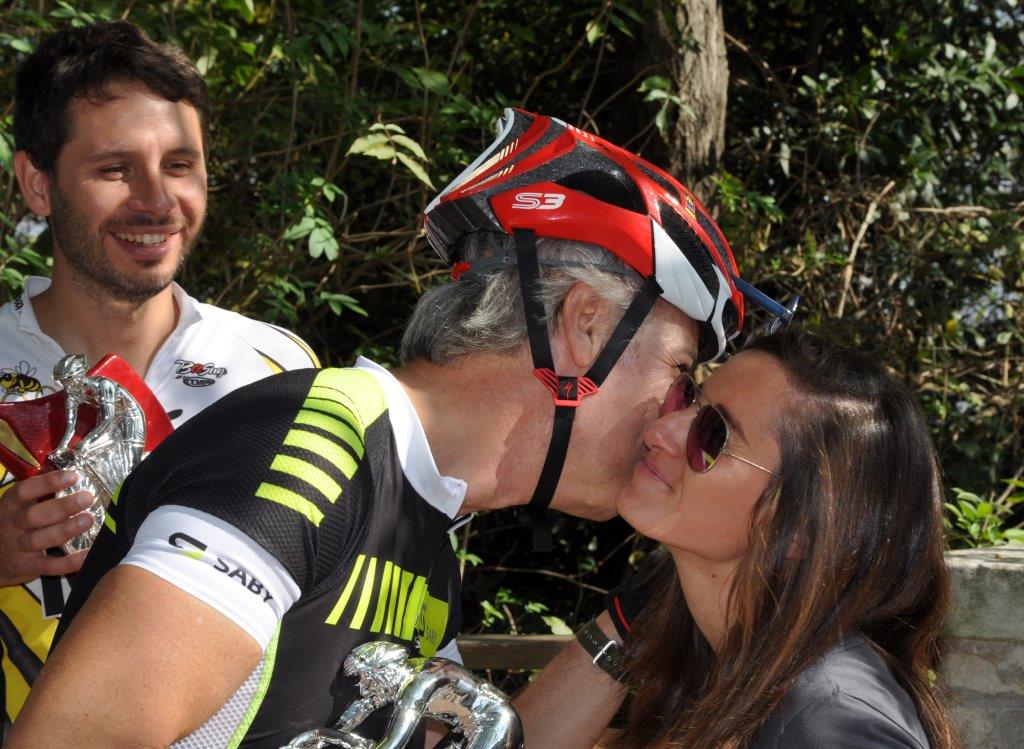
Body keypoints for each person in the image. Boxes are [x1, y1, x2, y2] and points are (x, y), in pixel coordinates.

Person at [8, 108, 791, 747]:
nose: (677, 418)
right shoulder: (315, 446)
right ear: (583, 324)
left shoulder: (418, 512)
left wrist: (639, 613)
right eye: (680, 371)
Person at [0, 20, 319, 729]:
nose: (157, 201)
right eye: (115, 169)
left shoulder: (279, 371)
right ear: (37, 184)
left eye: (179, 164)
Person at [522, 328, 958, 748]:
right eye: (689, 399)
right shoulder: (728, 665)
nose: (659, 431)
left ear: (799, 529)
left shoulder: (832, 722)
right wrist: (628, 618)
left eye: (712, 434)